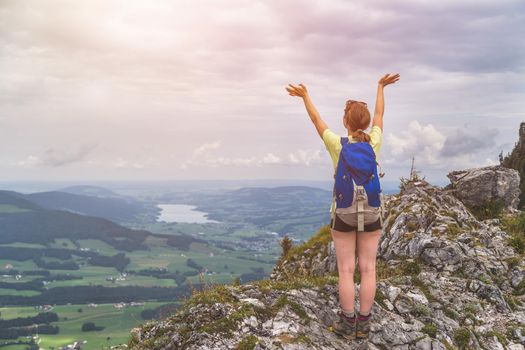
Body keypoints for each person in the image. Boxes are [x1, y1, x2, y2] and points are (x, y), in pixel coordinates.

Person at [285, 73, 400, 340]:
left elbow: (316, 120)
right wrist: (380, 87)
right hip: (371, 211)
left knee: (346, 270)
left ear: (345, 122)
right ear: (367, 123)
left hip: (343, 213)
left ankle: (347, 323)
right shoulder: (374, 142)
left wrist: (305, 96)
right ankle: (364, 324)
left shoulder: (337, 144)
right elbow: (381, 115)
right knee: (369, 268)